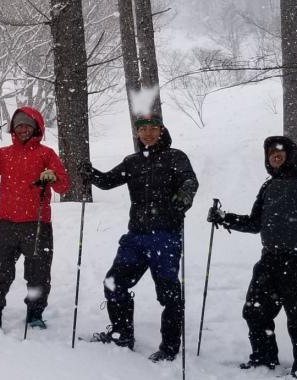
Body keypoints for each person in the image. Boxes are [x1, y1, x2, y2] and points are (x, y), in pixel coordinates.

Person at [207, 95, 297, 379]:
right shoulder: (268, 187)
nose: (275, 156)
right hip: (270, 259)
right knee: (255, 312)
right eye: (270, 153)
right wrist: (224, 218)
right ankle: (264, 360)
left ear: (289, 154)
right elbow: (254, 224)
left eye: (280, 151)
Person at [82, 116, 197, 362]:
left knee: (169, 294)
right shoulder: (132, 162)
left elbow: (190, 180)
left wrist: (185, 194)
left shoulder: (175, 157)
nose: (147, 133)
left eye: (152, 129)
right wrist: (90, 173)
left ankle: (169, 348)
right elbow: (107, 182)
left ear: (161, 130)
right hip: (136, 237)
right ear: (137, 133)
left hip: (165, 236)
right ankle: (122, 335)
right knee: (114, 282)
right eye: (142, 129)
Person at [0, 106, 69, 334]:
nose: (23, 129)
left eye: (27, 125)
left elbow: (64, 185)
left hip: (37, 224)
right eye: (18, 126)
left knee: (38, 273)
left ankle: (35, 314)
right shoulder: (5, 153)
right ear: (13, 130)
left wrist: (52, 176)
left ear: (36, 128)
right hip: (6, 223)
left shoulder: (47, 154)